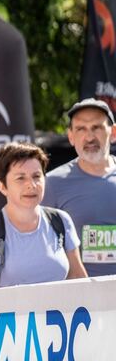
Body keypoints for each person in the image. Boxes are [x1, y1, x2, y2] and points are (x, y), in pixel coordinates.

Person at [0, 142, 88, 290]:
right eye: (20, 178)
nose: (31, 185)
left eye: (36, 176)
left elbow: (78, 278)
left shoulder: (61, 220)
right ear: (3, 187)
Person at [42, 99, 116, 277]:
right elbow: (41, 246)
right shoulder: (52, 183)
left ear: (113, 133)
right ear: (71, 137)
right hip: (79, 293)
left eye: (96, 127)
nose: (89, 137)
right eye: (81, 129)